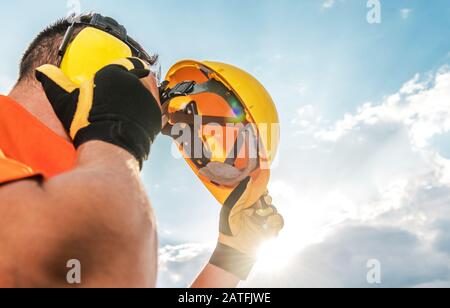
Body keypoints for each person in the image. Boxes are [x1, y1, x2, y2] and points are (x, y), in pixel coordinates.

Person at [0, 13, 282, 288]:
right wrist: (115, 139)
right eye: (138, 82)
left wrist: (230, 261)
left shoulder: (82, 186)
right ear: (90, 57)